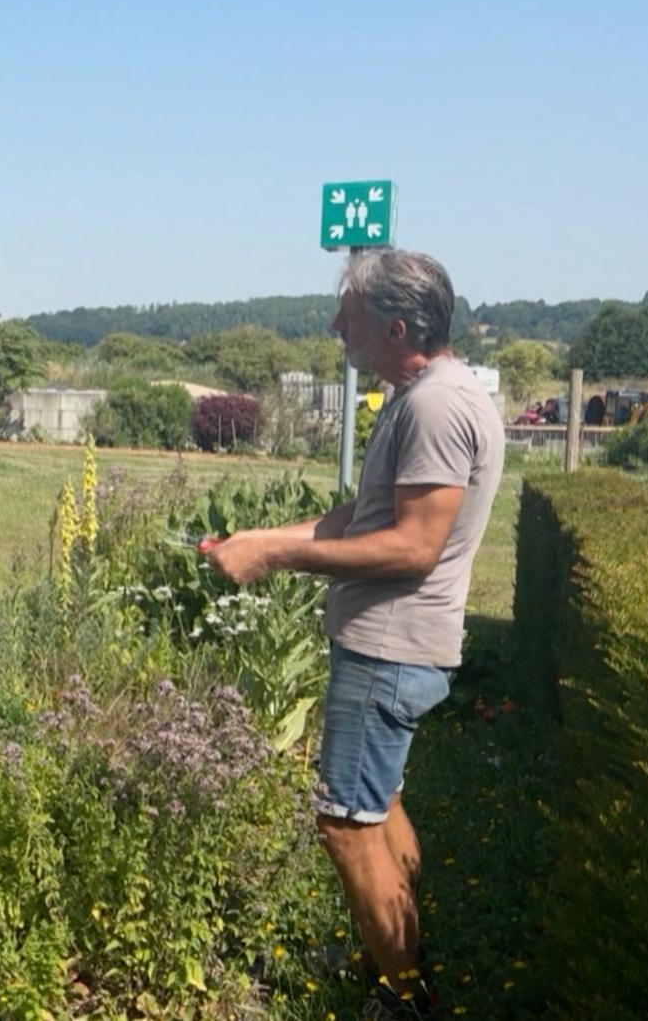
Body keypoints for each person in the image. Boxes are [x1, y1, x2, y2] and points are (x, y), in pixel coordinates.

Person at [205, 250, 503, 1020]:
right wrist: (260, 539)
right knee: (381, 801)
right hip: (391, 648)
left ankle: (405, 995)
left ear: (398, 327)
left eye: (352, 315)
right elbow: (356, 521)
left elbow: (410, 547)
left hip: (388, 649)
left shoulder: (436, 408)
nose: (337, 325)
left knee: (344, 822)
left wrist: (275, 554)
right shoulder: (420, 394)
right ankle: (400, 953)